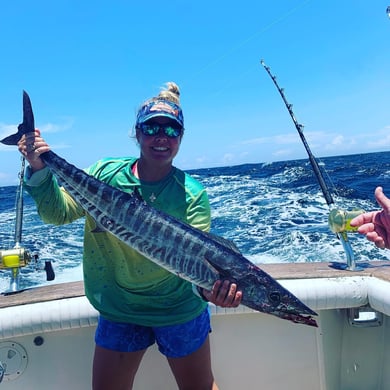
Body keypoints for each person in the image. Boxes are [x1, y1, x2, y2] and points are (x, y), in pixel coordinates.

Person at [18, 82, 242, 390]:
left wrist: (210, 292)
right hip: (120, 307)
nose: (161, 137)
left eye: (171, 130)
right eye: (151, 128)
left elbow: (196, 267)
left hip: (177, 309)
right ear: (136, 133)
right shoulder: (106, 173)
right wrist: (39, 167)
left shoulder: (192, 195)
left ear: (181, 138)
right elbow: (58, 213)